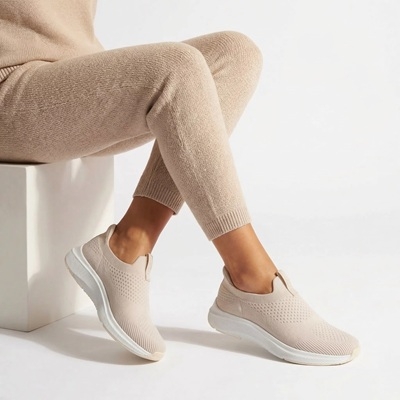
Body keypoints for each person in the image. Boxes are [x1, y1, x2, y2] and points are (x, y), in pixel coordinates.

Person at [0, 0, 359, 365]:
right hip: (10, 90)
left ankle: (128, 246)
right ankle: (252, 278)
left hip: (71, 85)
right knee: (176, 67)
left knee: (235, 54)